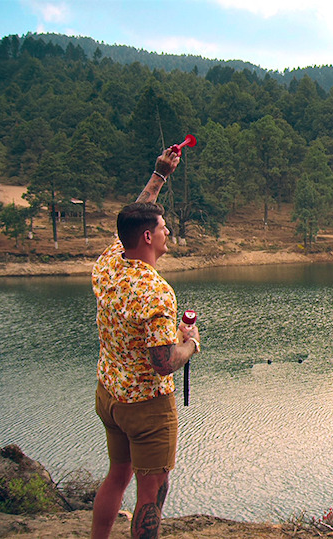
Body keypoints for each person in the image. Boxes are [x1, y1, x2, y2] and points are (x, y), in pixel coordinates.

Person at [91, 148, 202, 539]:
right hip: (147, 407)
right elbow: (163, 362)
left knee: (116, 476)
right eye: (164, 227)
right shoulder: (157, 293)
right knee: (151, 494)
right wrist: (190, 345)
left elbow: (133, 217)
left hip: (110, 396)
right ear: (149, 237)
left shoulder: (108, 263)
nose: (169, 232)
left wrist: (160, 175)